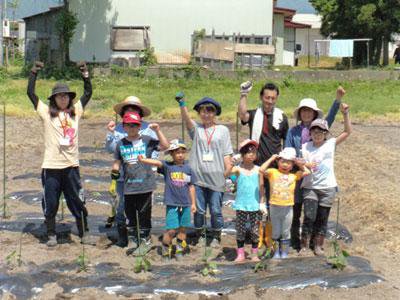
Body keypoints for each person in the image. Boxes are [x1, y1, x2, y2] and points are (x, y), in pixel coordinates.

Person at [26, 61, 93, 247]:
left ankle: (84, 232)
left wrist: (85, 74)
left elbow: (88, 93)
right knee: (51, 202)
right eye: (59, 96)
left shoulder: (76, 112)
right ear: (54, 99)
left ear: (70, 98)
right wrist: (34, 72)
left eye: (65, 96)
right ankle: (51, 234)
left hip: (71, 166)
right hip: (51, 167)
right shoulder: (47, 113)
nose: (63, 99)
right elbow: (31, 94)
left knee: (77, 201)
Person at [285, 87, 346, 251]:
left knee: (315, 213)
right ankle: (296, 241)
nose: (306, 114)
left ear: (314, 114)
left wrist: (337, 99)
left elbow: (331, 117)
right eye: (303, 111)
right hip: (297, 174)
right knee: (296, 208)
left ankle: (314, 243)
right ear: (300, 114)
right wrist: (300, 165)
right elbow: (289, 151)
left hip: (316, 178)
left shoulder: (317, 128)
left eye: (309, 111)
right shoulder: (293, 131)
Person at [176, 92, 233, 247]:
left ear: (215, 113)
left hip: (217, 178)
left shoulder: (223, 130)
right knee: (199, 210)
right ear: (199, 113)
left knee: (215, 210)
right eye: (203, 110)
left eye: (210, 110)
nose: (206, 113)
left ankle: (216, 235)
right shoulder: (196, 129)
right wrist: (182, 104)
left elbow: (227, 152)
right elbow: (187, 120)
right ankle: (200, 234)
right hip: (198, 178)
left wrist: (228, 169)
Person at [110, 112, 169, 253]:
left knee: (144, 214)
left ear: (140, 126)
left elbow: (165, 145)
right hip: (129, 186)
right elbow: (117, 162)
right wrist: (114, 172)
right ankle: (133, 239)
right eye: (128, 125)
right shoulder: (120, 144)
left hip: (145, 185)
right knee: (129, 214)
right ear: (123, 127)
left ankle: (145, 240)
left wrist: (158, 130)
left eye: (135, 125)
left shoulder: (147, 140)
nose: (132, 128)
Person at [105, 96, 157, 247]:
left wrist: (150, 167)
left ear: (140, 112)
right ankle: (123, 236)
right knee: (121, 207)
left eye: (134, 108)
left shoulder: (147, 129)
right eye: (128, 108)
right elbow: (111, 150)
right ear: (123, 112)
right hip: (123, 176)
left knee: (143, 209)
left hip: (142, 176)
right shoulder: (118, 128)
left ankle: (142, 237)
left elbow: (153, 151)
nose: (131, 110)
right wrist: (110, 134)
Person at [300, 105, 351, 256]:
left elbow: (347, 132)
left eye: (321, 131)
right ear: (310, 133)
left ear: (325, 133)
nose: (317, 134)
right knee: (309, 216)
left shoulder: (330, 144)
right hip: (310, 187)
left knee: (322, 218)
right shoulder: (305, 147)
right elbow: (299, 163)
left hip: (327, 188)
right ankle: (304, 245)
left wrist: (346, 114)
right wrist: (304, 165)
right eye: (314, 131)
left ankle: (318, 246)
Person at [138, 139, 196, 260]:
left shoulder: (189, 169)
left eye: (182, 152)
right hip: (172, 203)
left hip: (185, 204)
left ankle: (179, 251)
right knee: (171, 231)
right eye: (177, 152)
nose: (180, 155)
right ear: (172, 154)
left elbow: (191, 187)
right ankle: (165, 250)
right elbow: (157, 163)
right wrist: (143, 160)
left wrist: (193, 203)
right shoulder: (168, 167)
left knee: (182, 229)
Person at [238, 82, 289, 206]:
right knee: (255, 197)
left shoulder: (281, 117)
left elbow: (286, 140)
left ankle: (271, 224)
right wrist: (244, 94)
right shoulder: (255, 114)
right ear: (261, 97)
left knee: (274, 198)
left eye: (273, 98)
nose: (270, 101)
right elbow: (243, 115)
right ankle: (256, 223)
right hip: (254, 164)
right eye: (267, 97)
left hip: (275, 165)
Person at [260, 147, 310, 259]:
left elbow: (307, 171)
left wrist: (298, 163)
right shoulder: (273, 172)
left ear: (292, 165)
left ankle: (285, 253)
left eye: (288, 162)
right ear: (278, 162)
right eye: (282, 161)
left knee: (286, 232)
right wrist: (271, 158)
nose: (285, 165)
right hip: (274, 207)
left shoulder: (294, 175)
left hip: (288, 208)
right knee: (276, 232)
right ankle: (276, 252)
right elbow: (261, 170)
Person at [229, 139, 267, 263]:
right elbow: (226, 175)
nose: (251, 155)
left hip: (255, 205)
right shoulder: (237, 169)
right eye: (248, 152)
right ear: (242, 154)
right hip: (241, 205)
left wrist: (262, 203)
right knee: (240, 230)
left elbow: (261, 187)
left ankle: (254, 254)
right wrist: (231, 163)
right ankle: (240, 254)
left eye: (254, 152)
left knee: (255, 231)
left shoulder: (258, 169)